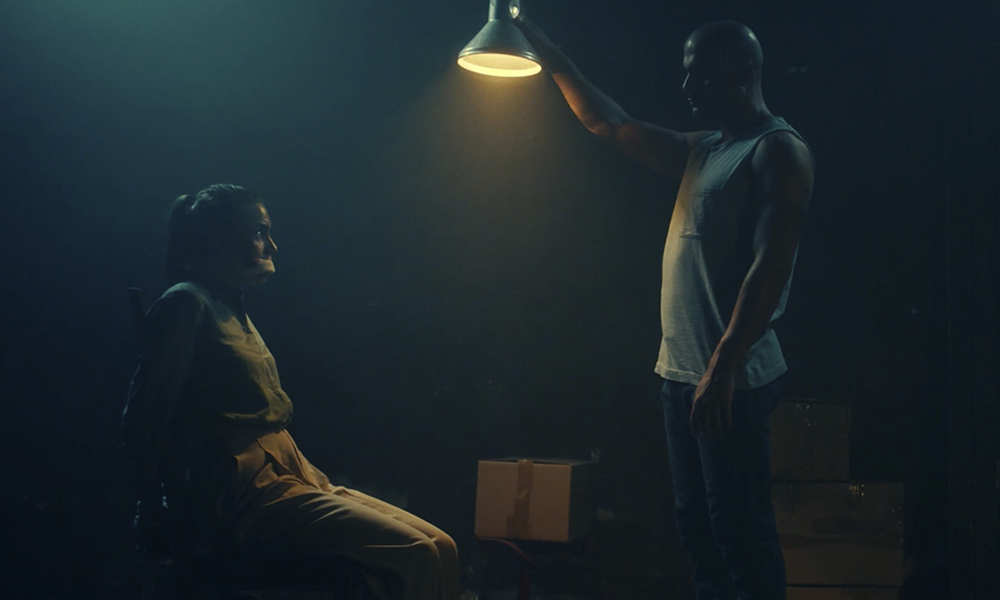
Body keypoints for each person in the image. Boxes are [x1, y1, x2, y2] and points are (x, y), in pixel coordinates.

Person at [514, 17, 814, 600]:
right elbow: (609, 123)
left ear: (744, 71)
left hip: (729, 382)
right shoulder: (704, 148)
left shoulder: (778, 150)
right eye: (686, 73)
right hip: (682, 376)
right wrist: (547, 53)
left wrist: (722, 369)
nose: (687, 87)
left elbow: (770, 270)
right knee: (699, 533)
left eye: (701, 73)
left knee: (740, 537)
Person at [122, 184, 460, 600]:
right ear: (220, 240)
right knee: (414, 554)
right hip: (240, 490)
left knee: (442, 546)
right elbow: (144, 418)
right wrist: (151, 509)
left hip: (289, 468)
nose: (272, 246)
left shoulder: (229, 305)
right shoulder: (186, 303)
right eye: (259, 232)